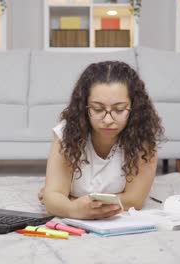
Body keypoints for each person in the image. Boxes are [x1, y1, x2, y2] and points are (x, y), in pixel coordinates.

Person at [39, 61, 164, 220]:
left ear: (134, 108)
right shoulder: (66, 133)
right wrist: (72, 209)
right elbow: (52, 198)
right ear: (84, 107)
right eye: (98, 109)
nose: (107, 120)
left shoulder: (142, 136)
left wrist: (70, 202)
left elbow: (134, 200)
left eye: (119, 110)